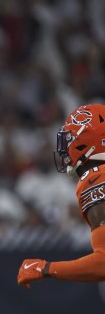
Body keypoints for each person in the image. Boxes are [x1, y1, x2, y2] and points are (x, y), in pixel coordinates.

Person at [18, 104, 105, 288]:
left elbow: (103, 264)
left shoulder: (97, 178)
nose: (66, 149)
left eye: (70, 140)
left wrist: (46, 268)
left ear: (88, 141)